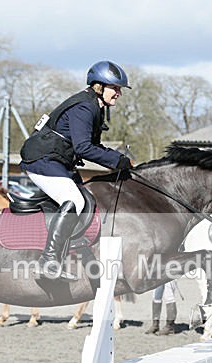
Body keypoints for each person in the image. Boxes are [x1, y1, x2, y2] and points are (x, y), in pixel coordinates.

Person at [19, 60, 133, 281]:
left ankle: (78, 250)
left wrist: (119, 160)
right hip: (42, 159)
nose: (119, 93)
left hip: (59, 162)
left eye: (119, 89)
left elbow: (94, 146)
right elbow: (83, 148)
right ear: (99, 86)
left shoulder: (96, 108)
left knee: (90, 200)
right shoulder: (84, 107)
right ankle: (49, 261)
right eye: (115, 88)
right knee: (75, 200)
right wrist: (116, 160)